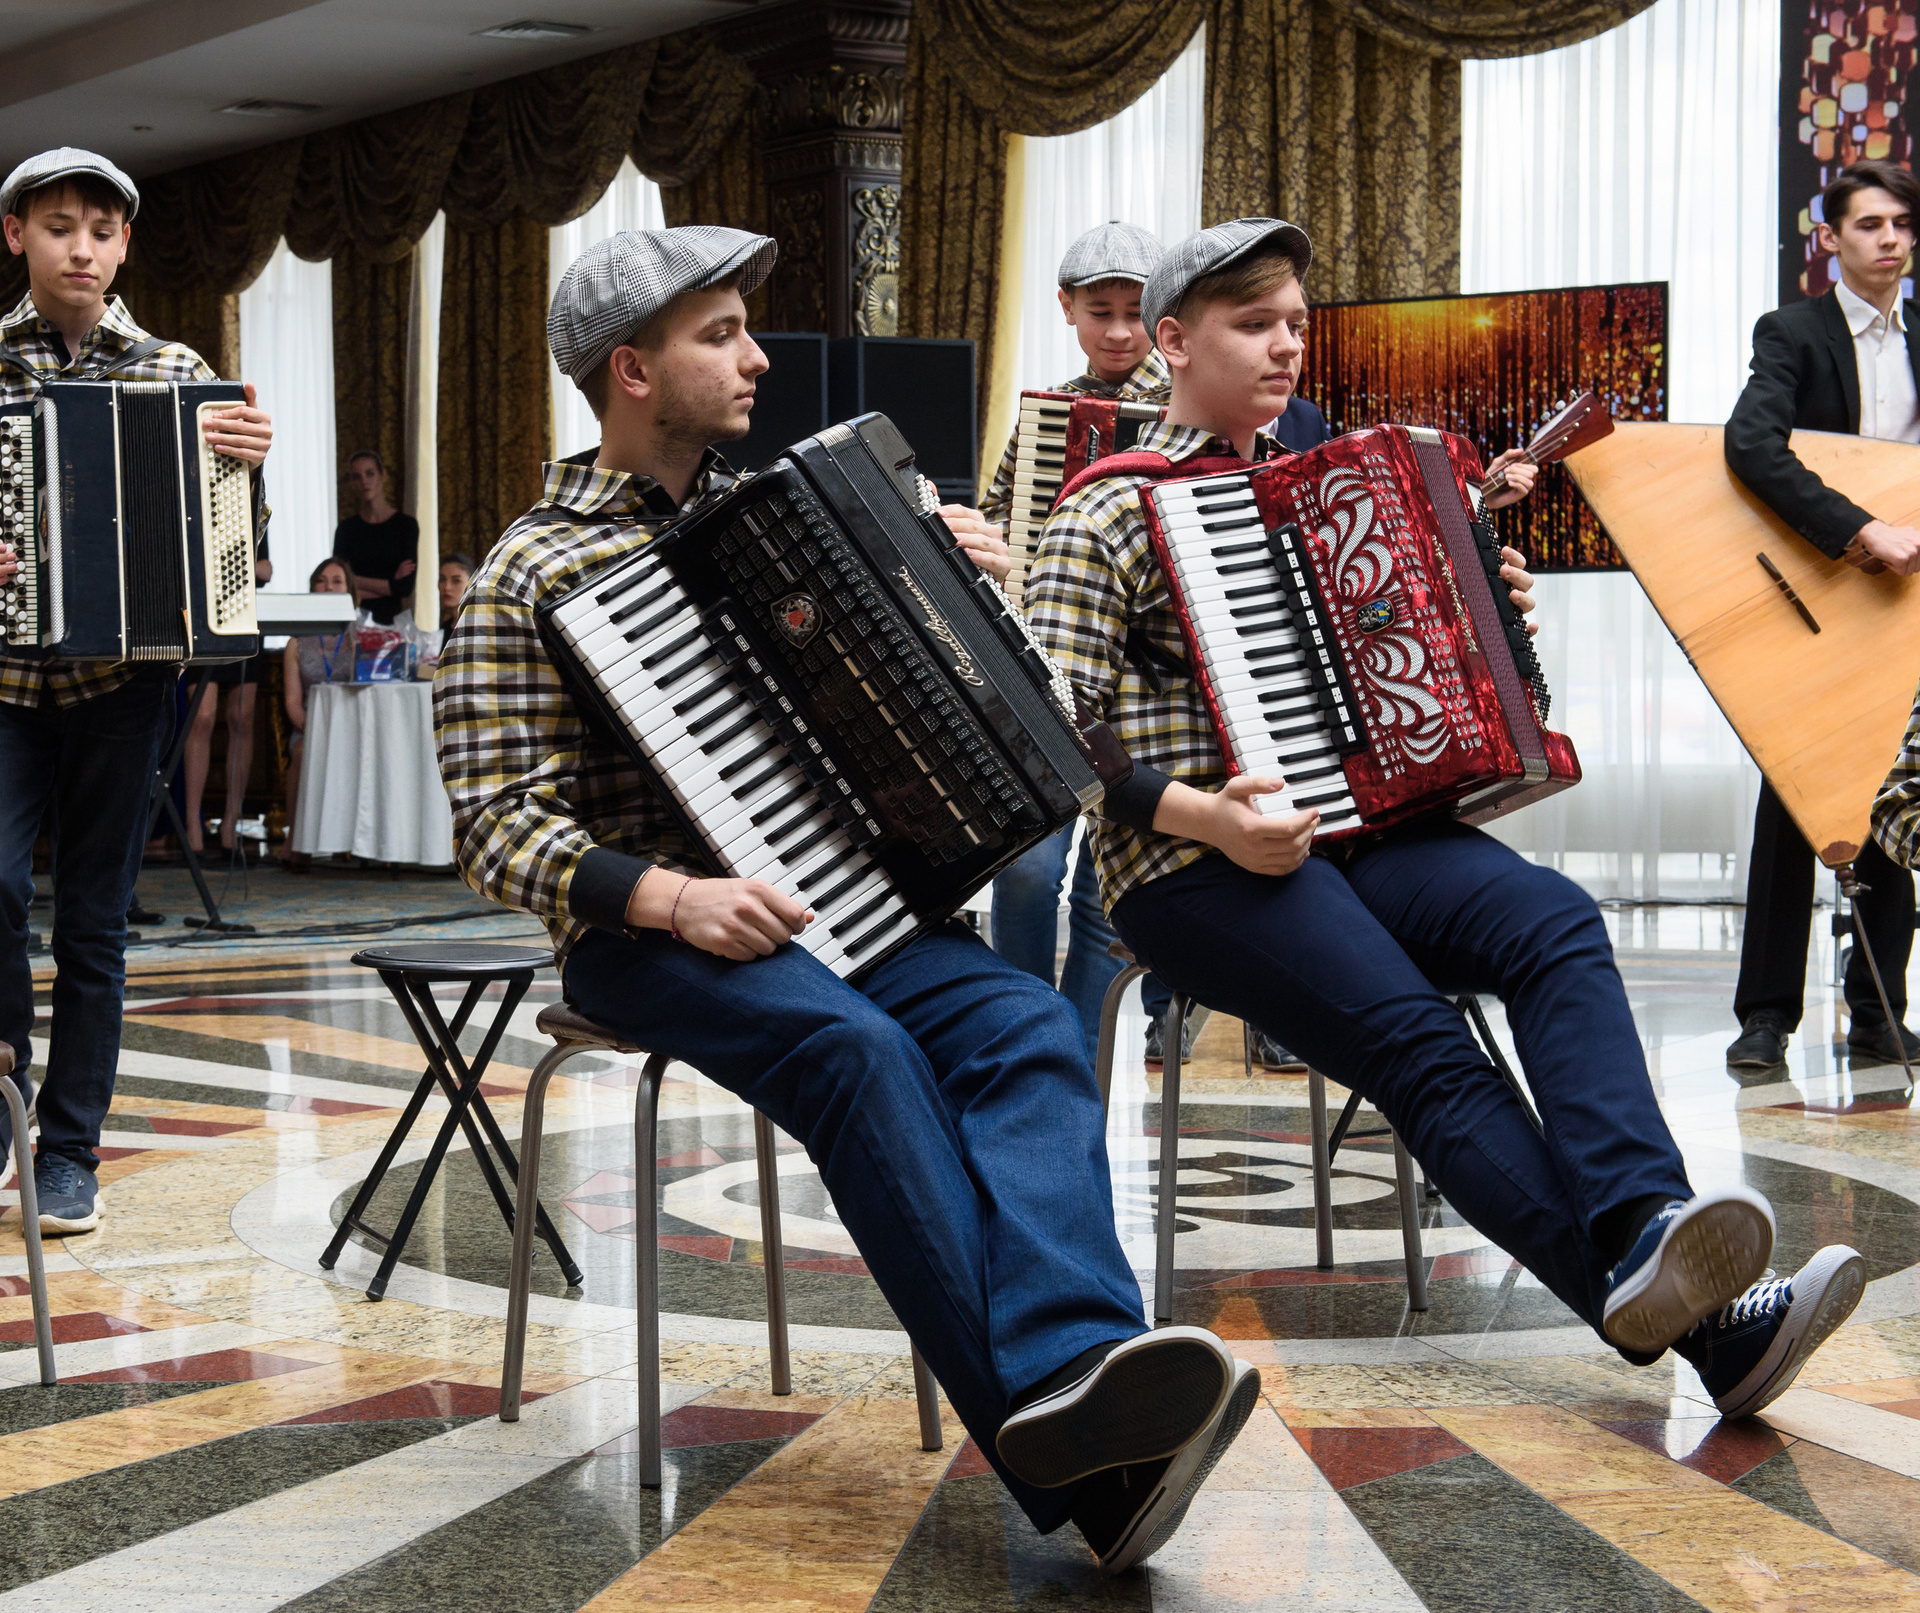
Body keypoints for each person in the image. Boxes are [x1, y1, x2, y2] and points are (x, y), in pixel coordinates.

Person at [438, 224, 1260, 1574]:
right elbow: (494, 828)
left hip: (850, 907)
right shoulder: (528, 573)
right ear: (631, 370)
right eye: (721, 335)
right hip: (643, 937)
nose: (757, 356)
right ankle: (1063, 1449)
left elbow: (926, 713)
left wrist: (955, 595)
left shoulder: (783, 516)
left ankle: (1077, 1367)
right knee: (859, 1054)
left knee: (1024, 1025)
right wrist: (672, 899)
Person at [1028, 216, 1867, 1419]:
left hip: (1355, 835)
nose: (1284, 349)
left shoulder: (1315, 492)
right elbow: (1050, 724)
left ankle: (1643, 1221)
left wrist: (1485, 595)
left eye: (1296, 326)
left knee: (1556, 923)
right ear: (1171, 342)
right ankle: (1715, 1329)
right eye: (1252, 324)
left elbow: (1430, 681)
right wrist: (1210, 817)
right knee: (1425, 1047)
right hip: (1190, 866)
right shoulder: (1103, 512)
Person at [0, 147, 273, 1235]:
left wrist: (248, 470)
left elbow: (237, 553)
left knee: (94, 920)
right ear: (16, 236)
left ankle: (70, 1148)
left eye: (99, 227)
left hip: (126, 683)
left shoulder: (175, 370)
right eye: (57, 226)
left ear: (124, 243)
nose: (80, 246)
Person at [976, 222, 1230, 1067]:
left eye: (1133, 311)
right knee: (1022, 868)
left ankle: (1076, 1062)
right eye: (1100, 312)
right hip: (1048, 672)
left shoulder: (1198, 405)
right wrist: (1000, 550)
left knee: (1101, 901)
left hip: (1147, 695)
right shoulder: (1046, 418)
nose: (1118, 331)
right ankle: (1017, 1035)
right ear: (1068, 311)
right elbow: (1001, 523)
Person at [1722, 158, 1920, 1070]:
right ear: (1829, 239)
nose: (1891, 239)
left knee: (1897, 794)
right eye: (1871, 224)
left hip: (1908, 599)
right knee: (1789, 796)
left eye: (1902, 225)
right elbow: (1749, 447)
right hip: (1815, 586)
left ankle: (1880, 1011)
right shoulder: (1792, 332)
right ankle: (1764, 1016)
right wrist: (1857, 529)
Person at [178, 514, 274, 860]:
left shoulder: (250, 505)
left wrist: (232, 560)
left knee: (242, 719)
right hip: (199, 619)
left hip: (241, 614)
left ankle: (231, 820)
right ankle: (193, 820)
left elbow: (265, 569)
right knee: (201, 717)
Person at [278, 557, 359, 871]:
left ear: (349, 590)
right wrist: (318, 731)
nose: (328, 587)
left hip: (354, 728)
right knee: (301, 752)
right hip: (311, 727)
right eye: (321, 580)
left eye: (337, 581)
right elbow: (293, 704)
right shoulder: (296, 643)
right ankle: (296, 843)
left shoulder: (360, 637)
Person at [332, 449, 417, 622]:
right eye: (356, 476)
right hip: (352, 619)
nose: (364, 481)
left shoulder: (405, 525)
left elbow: (404, 588)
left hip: (390, 621)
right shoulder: (346, 529)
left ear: (383, 475)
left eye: (369, 473)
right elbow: (339, 584)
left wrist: (354, 580)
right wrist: (388, 584)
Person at [402, 552, 475, 673]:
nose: (447, 587)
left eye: (456, 581)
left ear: (472, 584)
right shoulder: (444, 629)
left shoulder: (478, 628)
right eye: (442, 579)